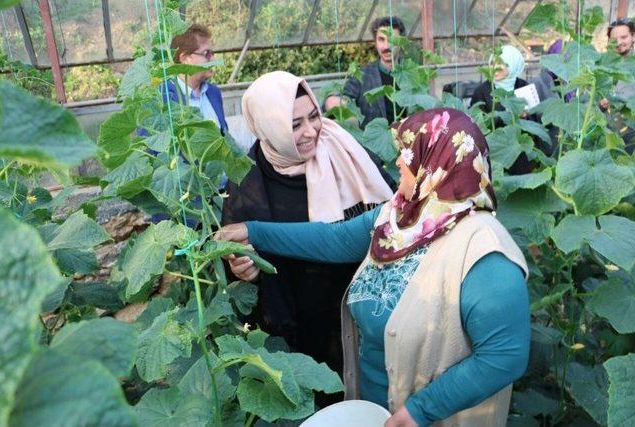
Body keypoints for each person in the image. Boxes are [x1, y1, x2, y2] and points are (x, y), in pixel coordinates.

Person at [217, 108, 530, 426]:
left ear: (437, 165)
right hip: (371, 407)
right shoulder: (399, 217)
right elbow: (333, 239)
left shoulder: (485, 252)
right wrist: (251, 231)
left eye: (407, 155)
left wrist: (422, 410)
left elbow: (504, 355)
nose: (397, 164)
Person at [221, 71, 393, 403]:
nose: (311, 130)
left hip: (354, 304)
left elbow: (380, 218)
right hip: (297, 312)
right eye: (294, 124)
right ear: (268, 128)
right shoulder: (248, 179)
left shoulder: (344, 150)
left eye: (313, 116)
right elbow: (236, 254)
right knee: (313, 399)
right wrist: (242, 267)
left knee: (362, 396)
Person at [471, 44, 551, 173]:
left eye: (502, 64)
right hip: (494, 152)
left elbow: (537, 122)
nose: (495, 68)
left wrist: (526, 117)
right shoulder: (482, 91)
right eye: (493, 63)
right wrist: (507, 115)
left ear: (514, 65)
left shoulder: (524, 86)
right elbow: (477, 125)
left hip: (521, 151)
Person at [325, 16, 406, 128]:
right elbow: (341, 98)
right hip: (372, 144)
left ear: (401, 41)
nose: (387, 46)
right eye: (381, 39)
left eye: (392, 39)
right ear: (375, 42)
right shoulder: (362, 75)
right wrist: (335, 101)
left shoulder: (412, 75)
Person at [163, 24, 228, 133]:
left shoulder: (213, 92)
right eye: (206, 53)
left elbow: (225, 137)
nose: (213, 59)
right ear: (185, 58)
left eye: (212, 53)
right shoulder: (164, 97)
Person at [600, 18, 635, 153]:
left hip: (631, 129)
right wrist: (600, 103)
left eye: (624, 37)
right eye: (614, 39)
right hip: (607, 128)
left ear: (633, 36)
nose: (619, 42)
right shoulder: (602, 64)